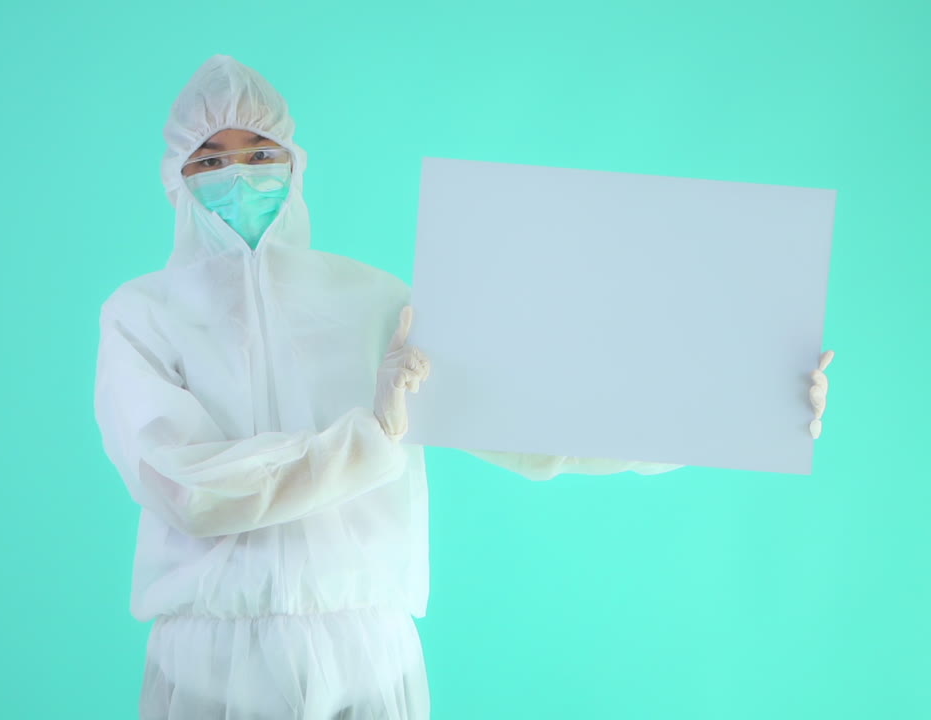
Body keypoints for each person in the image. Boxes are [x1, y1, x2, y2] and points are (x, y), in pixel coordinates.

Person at [93, 54, 834, 720]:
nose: (241, 174)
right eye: (211, 158)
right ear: (175, 177)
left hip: (367, 656)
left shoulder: (375, 302)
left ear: (295, 163)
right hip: (208, 663)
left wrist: (742, 401)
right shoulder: (143, 315)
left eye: (261, 152)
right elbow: (183, 484)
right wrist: (371, 439)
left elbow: (532, 426)